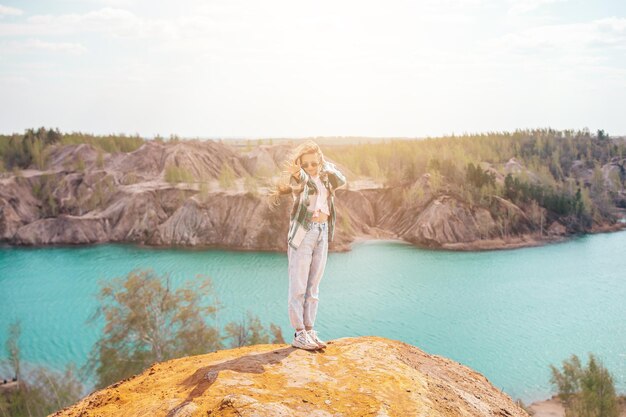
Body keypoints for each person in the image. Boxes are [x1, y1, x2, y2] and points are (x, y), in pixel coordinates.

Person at [271, 141, 346, 350]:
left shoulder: (326, 179)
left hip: (323, 231)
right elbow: (306, 181)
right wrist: (301, 173)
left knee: (313, 285)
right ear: (300, 166)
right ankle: (299, 333)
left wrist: (325, 166)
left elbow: (342, 179)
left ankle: (310, 330)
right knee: (298, 286)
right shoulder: (300, 182)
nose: (311, 168)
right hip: (304, 234)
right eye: (306, 165)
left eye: (314, 163)